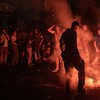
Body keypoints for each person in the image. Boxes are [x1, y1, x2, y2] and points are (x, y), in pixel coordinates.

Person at [60, 21, 85, 94]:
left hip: (66, 55)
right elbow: (74, 47)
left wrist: (63, 51)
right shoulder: (73, 33)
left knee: (68, 72)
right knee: (82, 67)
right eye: (77, 27)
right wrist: (78, 57)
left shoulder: (65, 32)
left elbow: (61, 42)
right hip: (72, 55)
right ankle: (80, 89)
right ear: (76, 26)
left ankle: (68, 90)